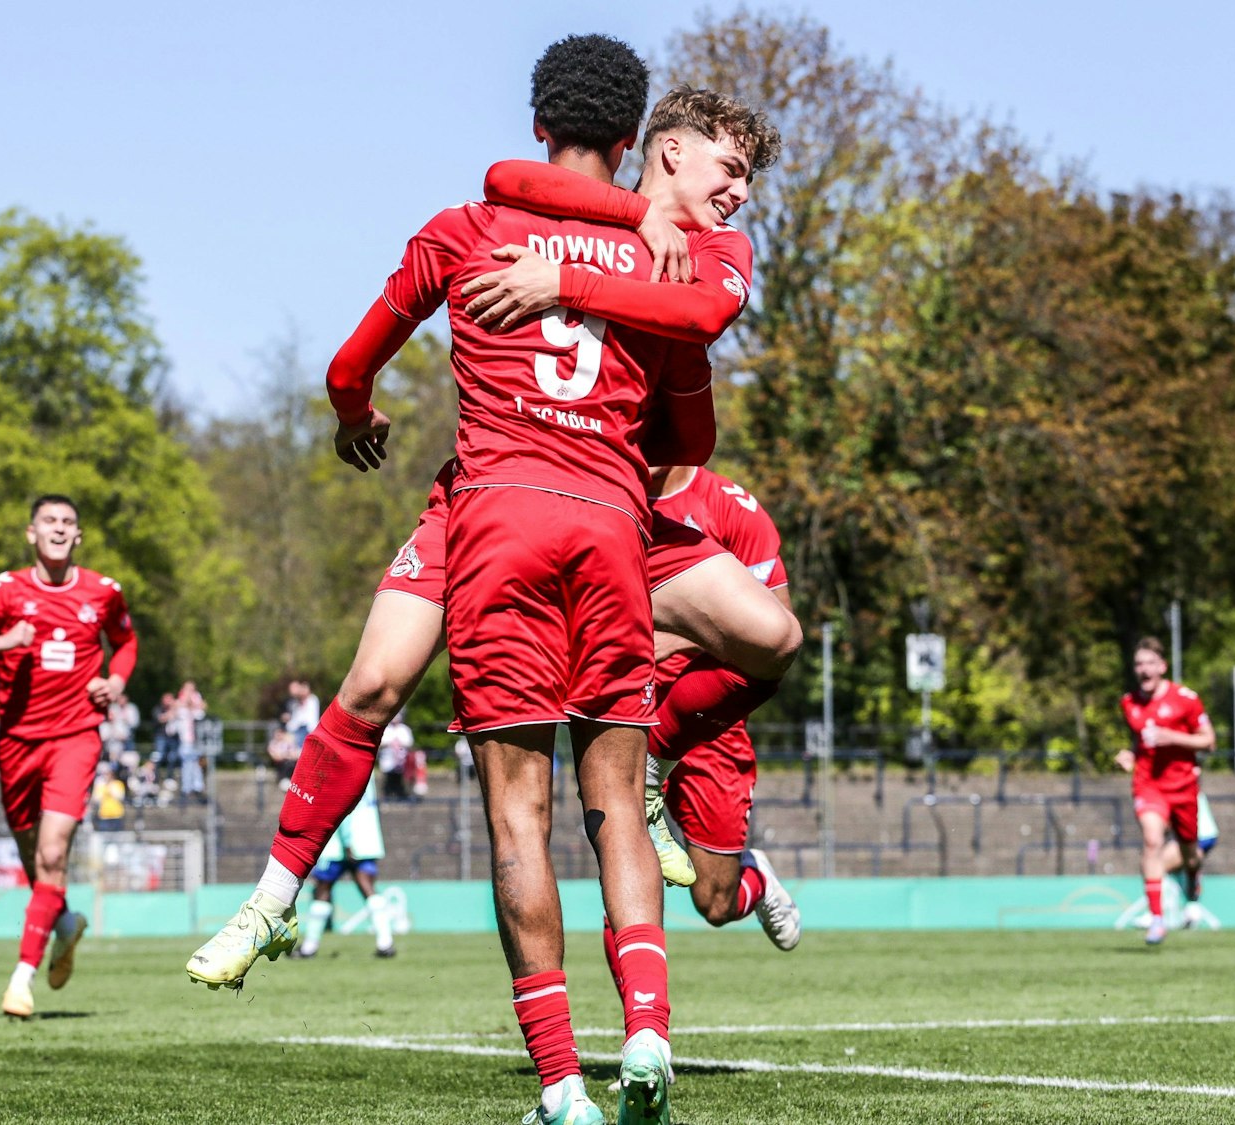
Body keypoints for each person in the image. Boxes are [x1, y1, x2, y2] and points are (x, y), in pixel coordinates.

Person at [190, 44, 788, 1125]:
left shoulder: (586, 239)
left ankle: (568, 1073)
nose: (736, 188)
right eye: (725, 164)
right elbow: (534, 196)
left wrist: (564, 281)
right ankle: (277, 895)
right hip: (573, 510)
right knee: (376, 687)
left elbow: (507, 202)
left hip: (553, 511)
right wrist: (620, 258)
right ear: (651, 147)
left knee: (754, 654)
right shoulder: (638, 242)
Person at [0, 494, 138, 1019]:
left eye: (68, 522)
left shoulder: (104, 592)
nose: (59, 528)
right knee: (35, 861)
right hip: (16, 744)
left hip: (76, 738)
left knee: (51, 857)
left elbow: (128, 642)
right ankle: (65, 923)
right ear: (31, 532)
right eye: (49, 521)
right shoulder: (3, 591)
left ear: (78, 536)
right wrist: (1, 642)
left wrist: (115, 681)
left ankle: (20, 981)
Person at [640, 465, 803, 957]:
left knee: (715, 902)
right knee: (625, 866)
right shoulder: (605, 497)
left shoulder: (731, 508)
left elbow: (774, 632)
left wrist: (668, 639)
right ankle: (642, 1025)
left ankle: (753, 874)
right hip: (631, 711)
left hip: (707, 728)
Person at [1116, 636, 1215, 945]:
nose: (1143, 669)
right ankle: (1157, 919)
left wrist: (1172, 737)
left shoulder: (1185, 699)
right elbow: (1140, 742)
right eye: (1138, 664)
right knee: (1152, 840)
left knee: (1190, 854)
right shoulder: (1129, 703)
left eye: (1149, 663)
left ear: (1162, 666)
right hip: (1148, 785)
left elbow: (1208, 742)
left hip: (1183, 786)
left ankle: (1193, 880)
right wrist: (1130, 756)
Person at [292, 769, 397, 960]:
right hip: (366, 841)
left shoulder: (343, 768)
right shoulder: (369, 768)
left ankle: (309, 947)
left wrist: (348, 841)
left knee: (322, 890)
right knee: (368, 888)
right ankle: (386, 942)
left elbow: (344, 805)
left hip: (339, 843)